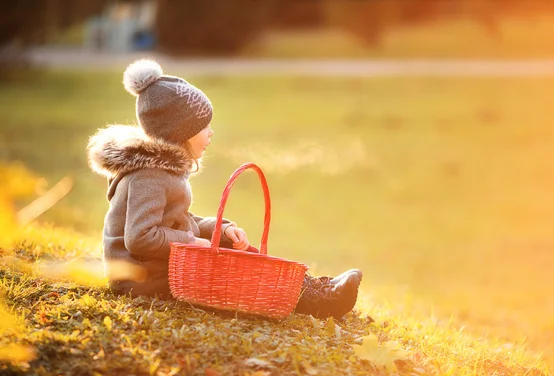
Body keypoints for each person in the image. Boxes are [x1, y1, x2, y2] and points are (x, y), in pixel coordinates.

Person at [87, 59, 362, 319]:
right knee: (235, 273)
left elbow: (177, 219)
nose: (211, 133)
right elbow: (140, 238)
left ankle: (310, 288)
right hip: (141, 279)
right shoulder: (149, 176)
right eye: (203, 126)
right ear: (179, 133)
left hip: (156, 269)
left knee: (229, 244)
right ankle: (313, 300)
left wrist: (219, 227)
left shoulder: (163, 172)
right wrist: (192, 242)